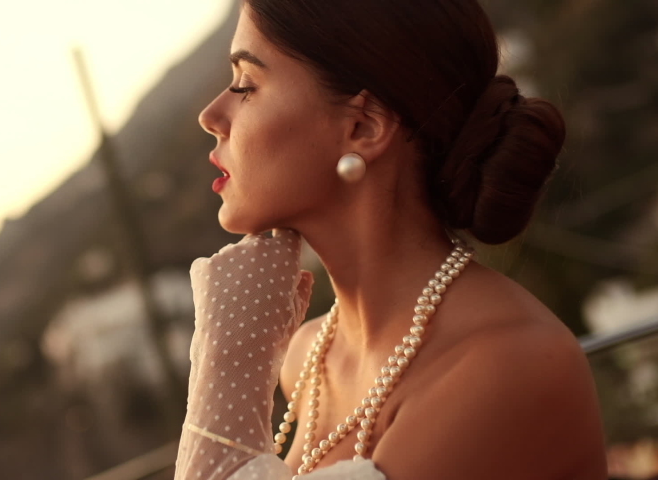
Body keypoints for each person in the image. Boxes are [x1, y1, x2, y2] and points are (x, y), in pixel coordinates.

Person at [174, 0, 608, 478]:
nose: (210, 114)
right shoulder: (306, 357)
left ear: (364, 126)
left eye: (246, 85)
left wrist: (225, 359)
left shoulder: (504, 363)